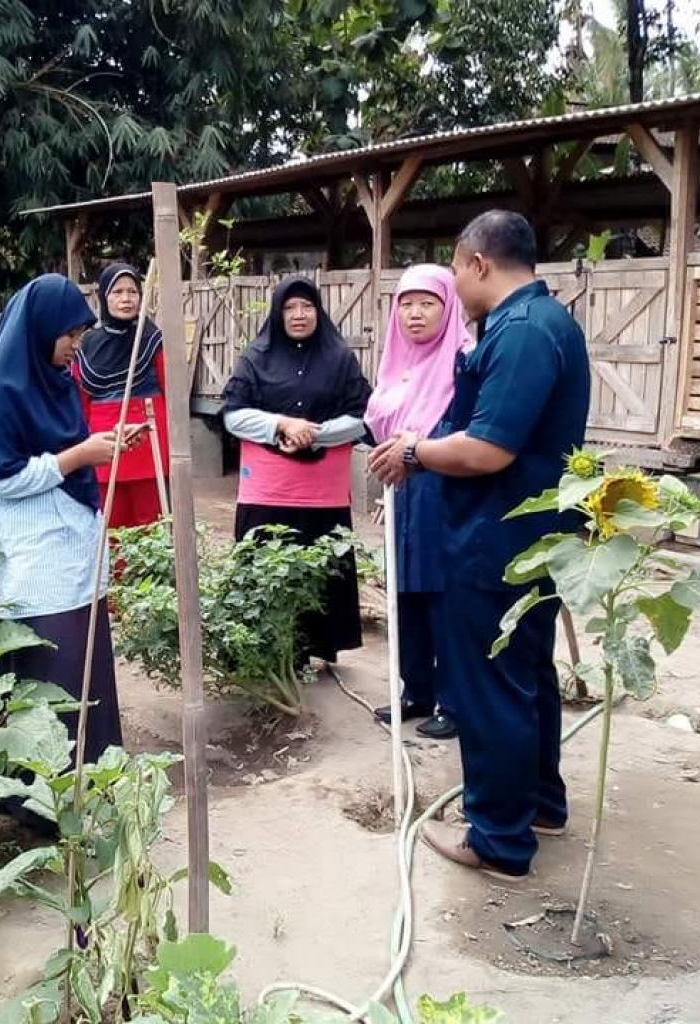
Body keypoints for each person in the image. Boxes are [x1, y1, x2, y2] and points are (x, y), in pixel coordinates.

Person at [370, 210, 590, 882]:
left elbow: (489, 448)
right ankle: (540, 805)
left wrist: (412, 449)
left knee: (491, 683)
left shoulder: (523, 331)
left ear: (475, 261)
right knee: (526, 674)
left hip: (498, 539)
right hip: (527, 536)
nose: (454, 287)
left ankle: (497, 837)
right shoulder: (544, 323)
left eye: (455, 271)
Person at [0, 274, 143, 786]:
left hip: (72, 545)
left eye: (81, 335)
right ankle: (35, 799)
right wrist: (81, 455)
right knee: (48, 671)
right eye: (70, 336)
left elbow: (62, 452)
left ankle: (88, 783)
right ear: (39, 329)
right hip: (36, 555)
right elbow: (2, 480)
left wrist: (102, 441)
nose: (76, 347)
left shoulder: (56, 382)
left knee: (85, 664)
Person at [222, 276, 372, 667]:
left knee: (323, 569)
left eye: (307, 306)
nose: (299, 314)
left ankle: (316, 650)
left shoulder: (340, 359)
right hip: (269, 490)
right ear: (277, 312)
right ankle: (264, 652)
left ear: (318, 311)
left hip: (322, 491)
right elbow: (233, 416)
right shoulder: (255, 357)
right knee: (264, 565)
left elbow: (364, 416)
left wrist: (317, 434)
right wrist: (281, 425)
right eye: (290, 307)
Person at [366, 265, 472, 741]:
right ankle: (416, 691)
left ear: (448, 306)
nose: (415, 314)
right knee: (405, 593)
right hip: (403, 490)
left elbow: (470, 430)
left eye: (427, 303)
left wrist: (422, 447)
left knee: (442, 597)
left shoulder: (463, 359)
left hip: (444, 488)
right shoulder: (397, 365)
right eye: (406, 304)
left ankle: (454, 699)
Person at [72, 262, 170, 529]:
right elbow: (81, 404)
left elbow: (171, 394)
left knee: (152, 532)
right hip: (104, 448)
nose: (126, 299)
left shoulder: (152, 339)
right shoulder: (87, 344)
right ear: (104, 297)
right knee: (110, 534)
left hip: (149, 447)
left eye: (132, 291)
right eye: (117, 292)